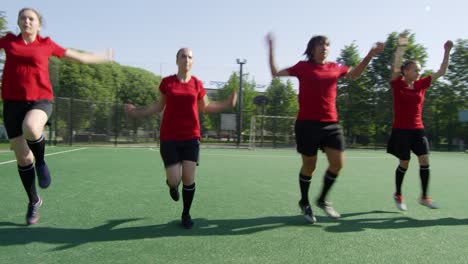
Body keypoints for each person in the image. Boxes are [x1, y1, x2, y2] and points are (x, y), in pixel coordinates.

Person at [0, 8, 113, 225]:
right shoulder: (8, 42)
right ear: (18, 22)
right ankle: (34, 201)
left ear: (38, 24)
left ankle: (41, 163)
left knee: (32, 128)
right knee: (23, 159)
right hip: (12, 104)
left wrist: (102, 56)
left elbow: (78, 57)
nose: (26, 21)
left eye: (31, 18)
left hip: (40, 100)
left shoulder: (46, 44)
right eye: (22, 18)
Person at [266, 32, 384, 223]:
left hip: (331, 124)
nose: (325, 48)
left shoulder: (335, 67)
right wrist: (271, 49)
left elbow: (355, 74)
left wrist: (370, 54)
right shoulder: (302, 67)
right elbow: (275, 72)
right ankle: (304, 202)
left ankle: (322, 199)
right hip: (307, 124)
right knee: (309, 166)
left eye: (327, 45)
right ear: (312, 49)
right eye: (321, 45)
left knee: (338, 163)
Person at [125, 47, 237, 229]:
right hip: (169, 137)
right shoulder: (167, 83)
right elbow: (157, 106)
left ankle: (186, 214)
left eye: (190, 57)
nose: (186, 59)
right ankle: (171, 185)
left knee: (188, 179)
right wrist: (136, 112)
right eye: (183, 56)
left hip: (191, 137)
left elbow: (206, 107)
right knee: (175, 179)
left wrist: (226, 103)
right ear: (177, 60)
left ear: (192, 62)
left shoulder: (197, 84)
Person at [388, 32, 453, 211]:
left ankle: (424, 197)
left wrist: (446, 51)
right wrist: (401, 44)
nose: (419, 72)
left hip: (418, 130)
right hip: (401, 130)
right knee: (404, 163)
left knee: (424, 160)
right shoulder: (397, 83)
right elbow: (395, 65)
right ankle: (398, 194)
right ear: (406, 71)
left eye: (420, 70)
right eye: (416, 69)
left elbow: (442, 71)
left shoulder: (421, 84)